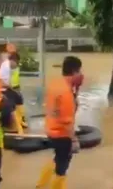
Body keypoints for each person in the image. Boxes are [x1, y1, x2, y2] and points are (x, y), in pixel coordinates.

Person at [36, 56, 82, 189]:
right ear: (74, 71)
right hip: (62, 134)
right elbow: (67, 121)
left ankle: (41, 185)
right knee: (62, 167)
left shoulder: (55, 84)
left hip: (50, 129)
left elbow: (57, 109)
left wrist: (76, 91)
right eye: (79, 72)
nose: (80, 75)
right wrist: (74, 140)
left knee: (56, 159)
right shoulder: (66, 93)